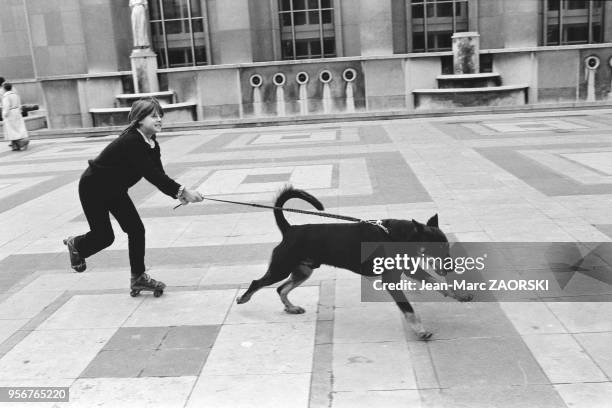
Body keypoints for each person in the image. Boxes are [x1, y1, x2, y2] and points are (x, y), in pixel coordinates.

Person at [63, 97, 203, 295]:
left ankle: (137, 278)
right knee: (104, 237)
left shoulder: (152, 143)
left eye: (160, 116)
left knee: (136, 230)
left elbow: (159, 175)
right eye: (153, 116)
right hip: (93, 187)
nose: (159, 119)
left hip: (114, 189)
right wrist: (183, 190)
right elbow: (152, 175)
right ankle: (76, 244)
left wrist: (180, 195)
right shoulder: (132, 141)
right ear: (139, 119)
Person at [2, 82, 29, 151]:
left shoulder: (6, 96)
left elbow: (6, 106)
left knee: (12, 130)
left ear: (4, 88)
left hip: (10, 113)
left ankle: (21, 143)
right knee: (18, 127)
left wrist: (4, 114)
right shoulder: (15, 95)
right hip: (17, 112)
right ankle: (16, 145)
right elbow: (19, 104)